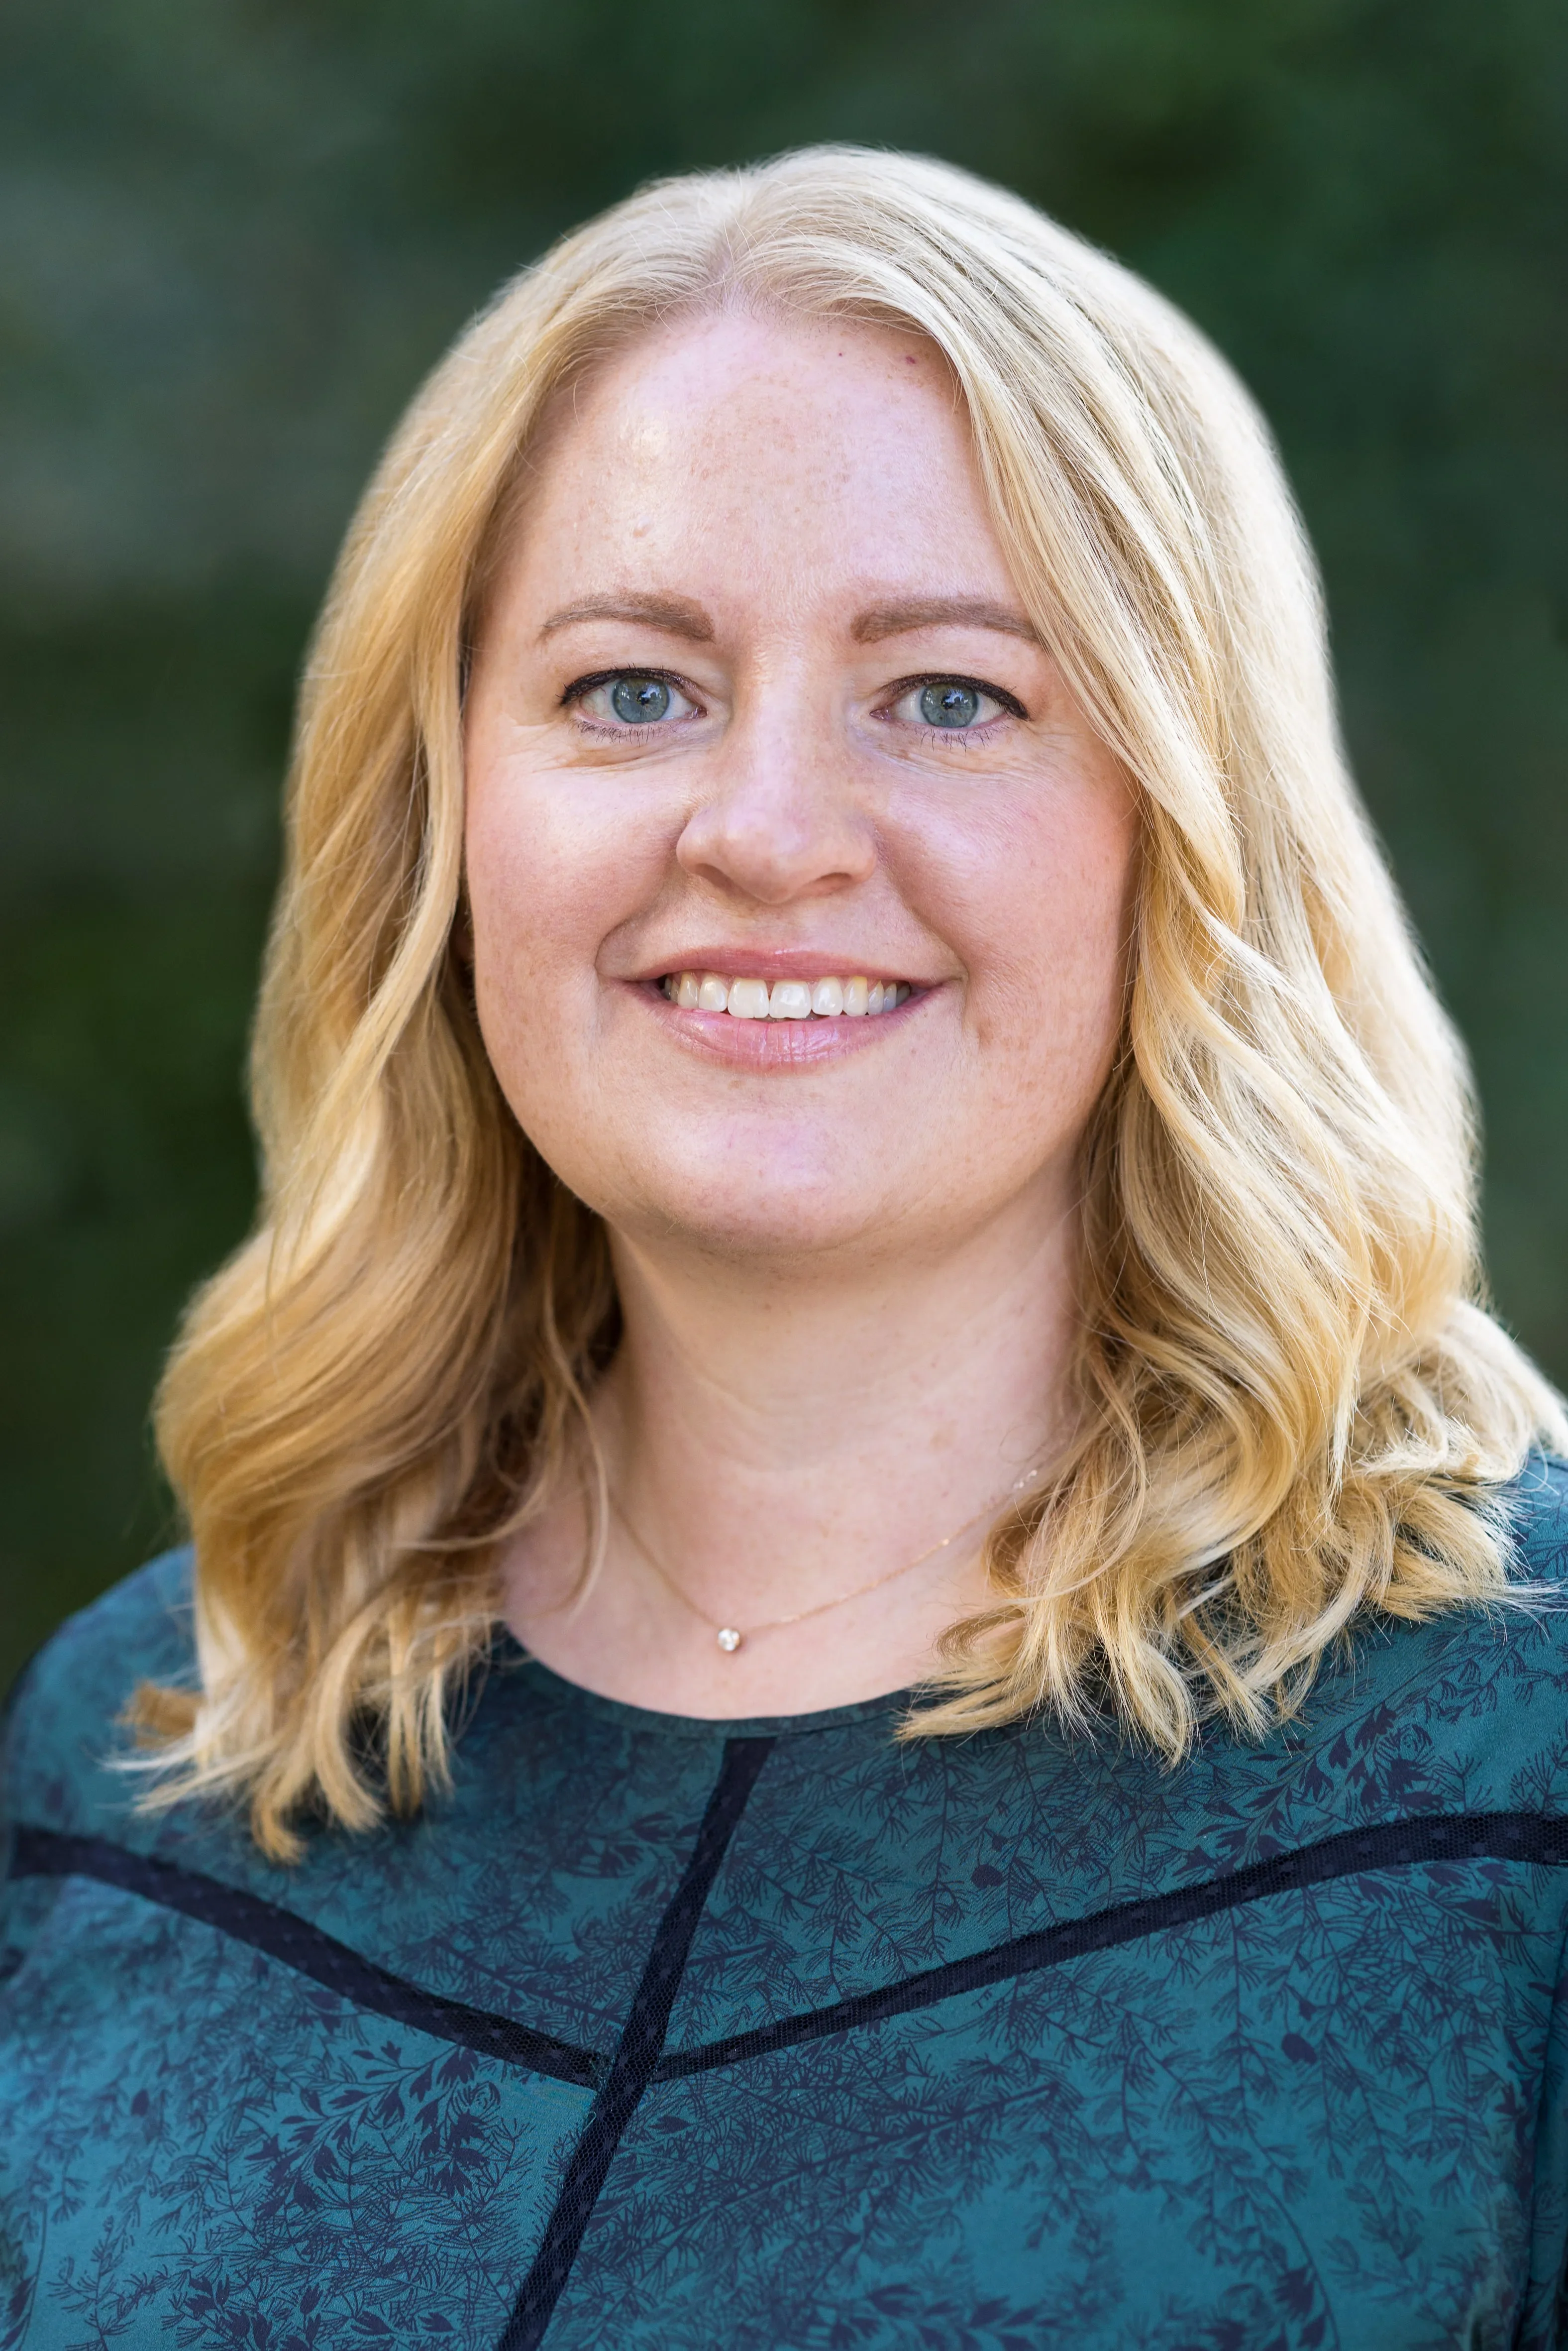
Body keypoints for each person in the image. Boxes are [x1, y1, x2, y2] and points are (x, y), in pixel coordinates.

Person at [2, 144, 1565, 2351]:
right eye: (633, 688)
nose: (763, 833)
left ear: (1184, 834)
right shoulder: (153, 1747)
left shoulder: (1518, 1754)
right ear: (443, 818)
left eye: (949, 697)